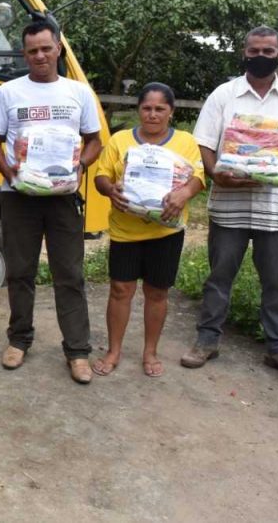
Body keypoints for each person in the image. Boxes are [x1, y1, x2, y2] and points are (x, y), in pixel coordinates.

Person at [181, 25, 278, 382]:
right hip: (229, 206)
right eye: (255, 51)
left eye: (268, 51)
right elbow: (202, 141)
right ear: (244, 53)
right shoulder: (224, 95)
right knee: (219, 279)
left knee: (277, 285)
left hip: (277, 209)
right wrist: (215, 172)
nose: (261, 57)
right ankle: (207, 341)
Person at [0, 20, 102, 384]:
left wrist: (79, 167)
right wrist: (12, 175)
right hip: (19, 197)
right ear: (24, 54)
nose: (39, 55)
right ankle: (19, 340)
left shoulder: (78, 93)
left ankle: (78, 350)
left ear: (58, 50)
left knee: (70, 273)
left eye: (45, 48)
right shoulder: (8, 92)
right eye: (32, 50)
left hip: (64, 198)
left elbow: (95, 141)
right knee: (20, 271)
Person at [92, 83, 205, 378]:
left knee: (157, 292)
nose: (152, 114)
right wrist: (110, 189)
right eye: (146, 108)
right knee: (120, 290)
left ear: (171, 112)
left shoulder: (185, 141)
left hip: (165, 233)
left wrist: (184, 194)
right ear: (138, 109)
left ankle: (150, 351)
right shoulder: (120, 140)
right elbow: (102, 176)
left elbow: (198, 176)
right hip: (125, 230)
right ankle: (114, 350)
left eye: (159, 109)